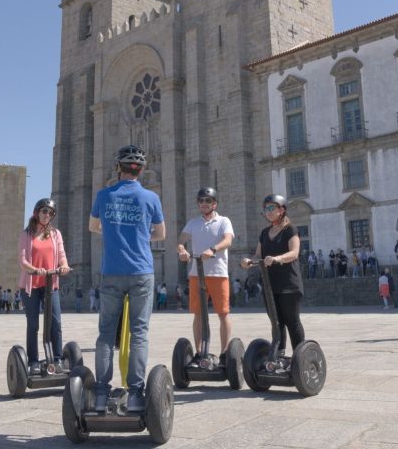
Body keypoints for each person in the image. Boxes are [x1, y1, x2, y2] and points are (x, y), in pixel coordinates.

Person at [89, 145, 165, 413]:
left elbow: (92, 227)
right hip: (142, 271)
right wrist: (142, 236)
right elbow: (161, 234)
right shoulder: (151, 197)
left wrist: (112, 233)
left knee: (106, 334)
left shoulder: (103, 195)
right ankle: (134, 394)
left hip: (111, 270)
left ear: (117, 167)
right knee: (140, 333)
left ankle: (100, 394)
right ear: (141, 170)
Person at [241, 193, 306, 362]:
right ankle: (279, 354)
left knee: (292, 321)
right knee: (276, 322)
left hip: (289, 283)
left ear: (281, 210)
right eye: (265, 209)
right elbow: (258, 255)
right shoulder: (264, 233)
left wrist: (277, 259)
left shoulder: (290, 229)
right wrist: (250, 261)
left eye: (271, 208)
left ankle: (300, 358)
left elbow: (294, 252)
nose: (267, 212)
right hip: (270, 284)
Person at [178, 186, 235, 363]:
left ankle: (225, 352)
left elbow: (227, 240)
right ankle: (199, 352)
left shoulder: (224, 221)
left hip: (218, 273)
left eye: (208, 201)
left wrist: (212, 249)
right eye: (201, 201)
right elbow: (181, 240)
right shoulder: (193, 223)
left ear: (214, 204)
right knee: (198, 314)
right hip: (196, 274)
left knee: (223, 313)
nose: (204, 203)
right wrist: (182, 250)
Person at [18, 197, 72, 374]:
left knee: (55, 323)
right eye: (44, 211)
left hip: (51, 284)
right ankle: (33, 361)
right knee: (33, 324)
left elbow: (61, 254)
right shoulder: (26, 235)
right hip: (31, 285)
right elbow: (23, 260)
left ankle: (57, 359)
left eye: (50, 213)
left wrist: (63, 265)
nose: (47, 215)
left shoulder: (56, 234)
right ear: (36, 212)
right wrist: (34, 269)